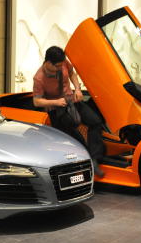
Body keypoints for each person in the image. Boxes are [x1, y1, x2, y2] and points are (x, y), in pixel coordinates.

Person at [33, 46, 106, 177]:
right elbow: (37, 101)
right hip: (57, 109)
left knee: (95, 122)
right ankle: (86, 162)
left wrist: (77, 89)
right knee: (74, 136)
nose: (60, 68)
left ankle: (94, 159)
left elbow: (72, 73)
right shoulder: (39, 78)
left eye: (62, 65)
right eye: (57, 66)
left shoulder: (63, 62)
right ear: (48, 63)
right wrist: (55, 102)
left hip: (71, 101)